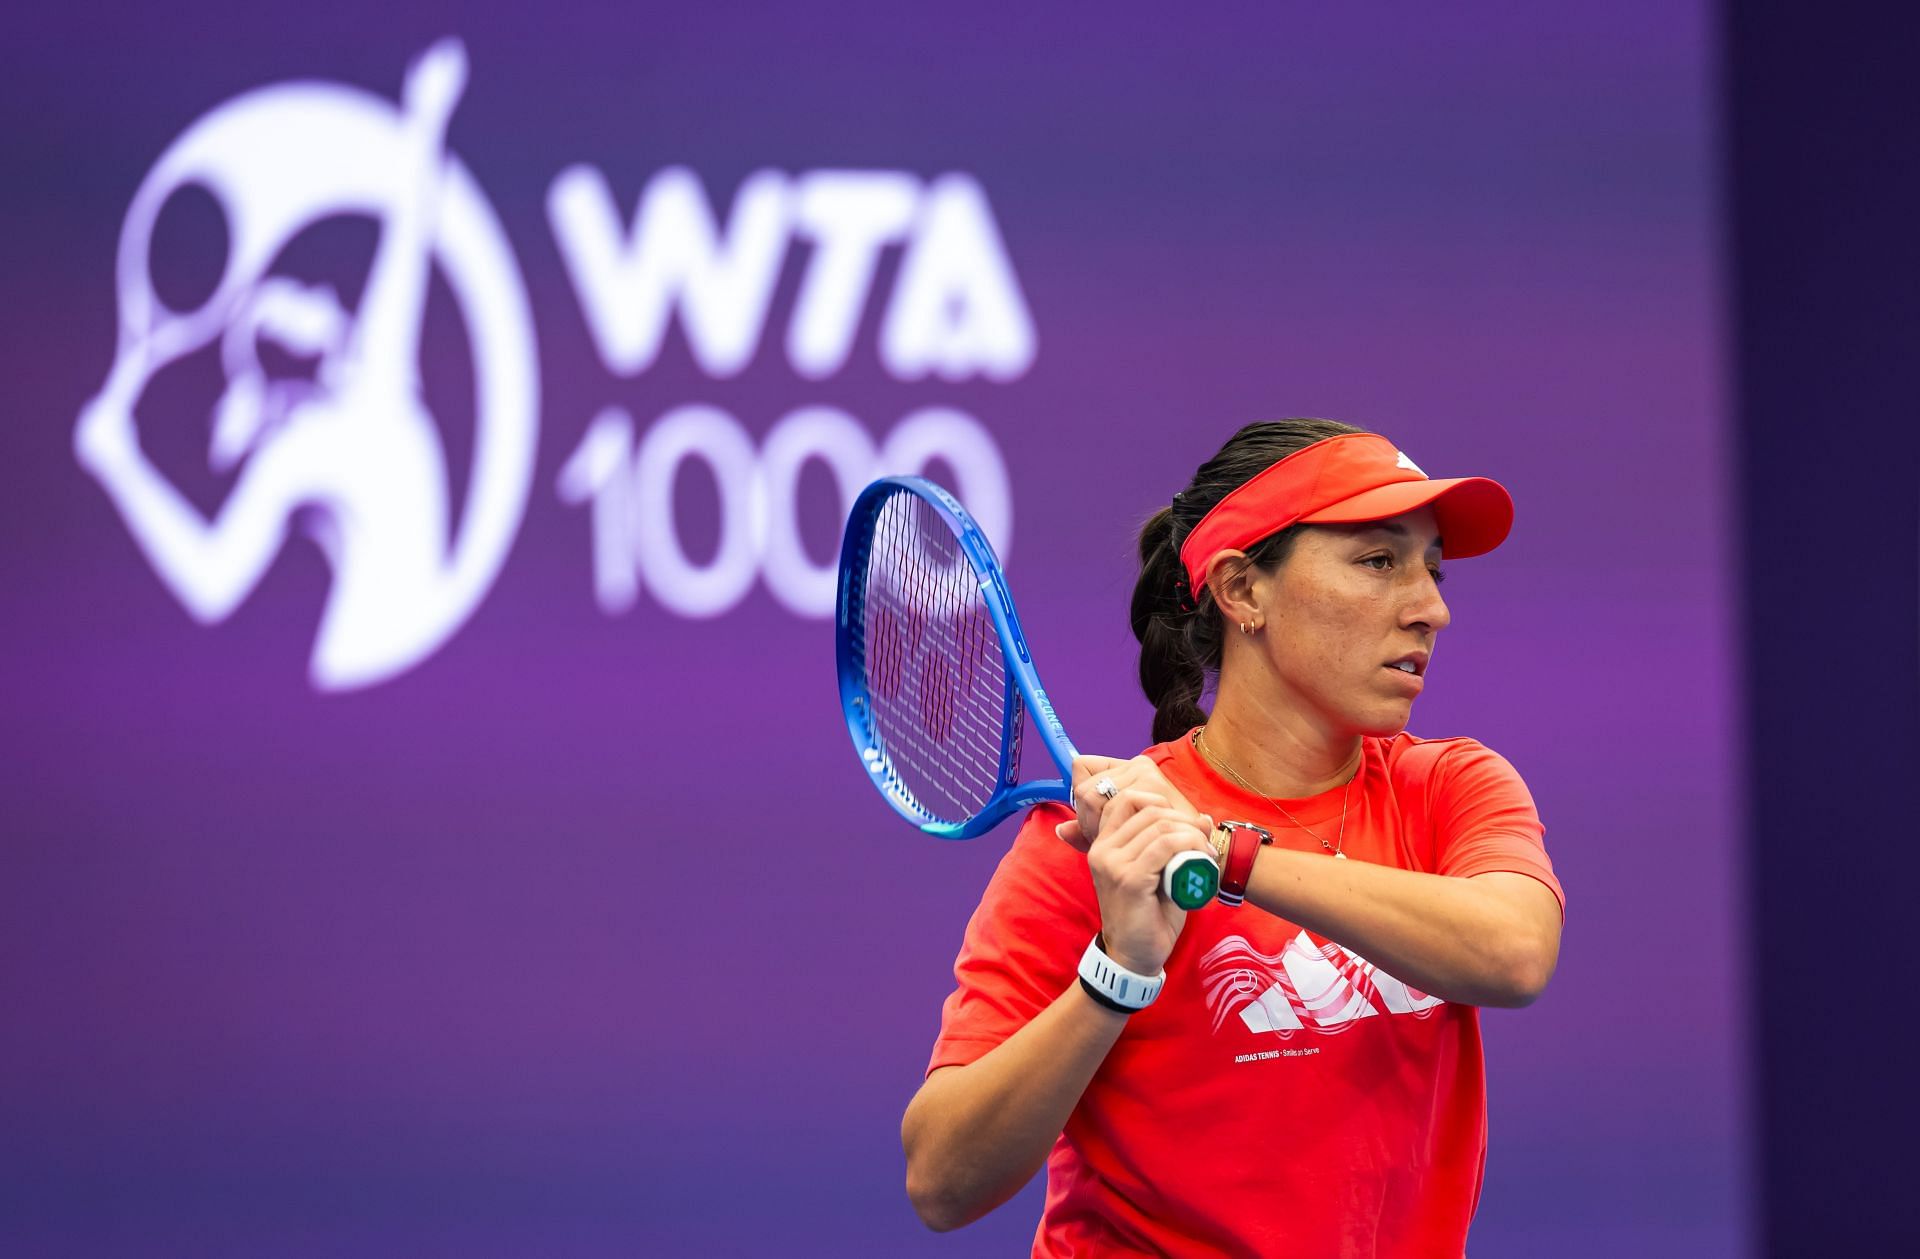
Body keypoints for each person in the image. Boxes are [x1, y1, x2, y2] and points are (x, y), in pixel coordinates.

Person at [901, 419, 1565, 1256]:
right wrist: (1117, 974)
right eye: (1379, 561)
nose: (1431, 607)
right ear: (1243, 590)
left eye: (1431, 569)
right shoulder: (1085, 846)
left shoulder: (1451, 787)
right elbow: (942, 1179)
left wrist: (1225, 854)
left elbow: (1512, 952)